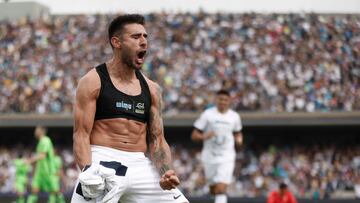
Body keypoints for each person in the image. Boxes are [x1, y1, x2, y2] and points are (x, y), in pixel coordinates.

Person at [71, 14, 188, 203]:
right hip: (102, 163)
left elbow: (157, 139)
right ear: (116, 42)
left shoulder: (152, 89)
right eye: (136, 37)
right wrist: (87, 170)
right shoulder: (92, 81)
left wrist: (166, 172)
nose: (143, 42)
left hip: (140, 165)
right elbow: (81, 135)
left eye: (145, 37)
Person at [191, 89, 243, 203]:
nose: (223, 102)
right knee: (213, 189)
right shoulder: (207, 114)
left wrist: (239, 141)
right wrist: (204, 136)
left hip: (226, 156)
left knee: (221, 188)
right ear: (216, 99)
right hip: (209, 156)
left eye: (225, 100)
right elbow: (194, 135)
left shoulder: (234, 116)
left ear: (229, 101)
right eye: (220, 99)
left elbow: (238, 133)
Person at [26, 126, 57, 203]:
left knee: (54, 191)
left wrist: (29, 160)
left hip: (48, 170)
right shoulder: (40, 141)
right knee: (34, 190)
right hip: (40, 171)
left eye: (36, 130)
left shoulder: (45, 140)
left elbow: (42, 155)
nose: (35, 131)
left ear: (42, 131)